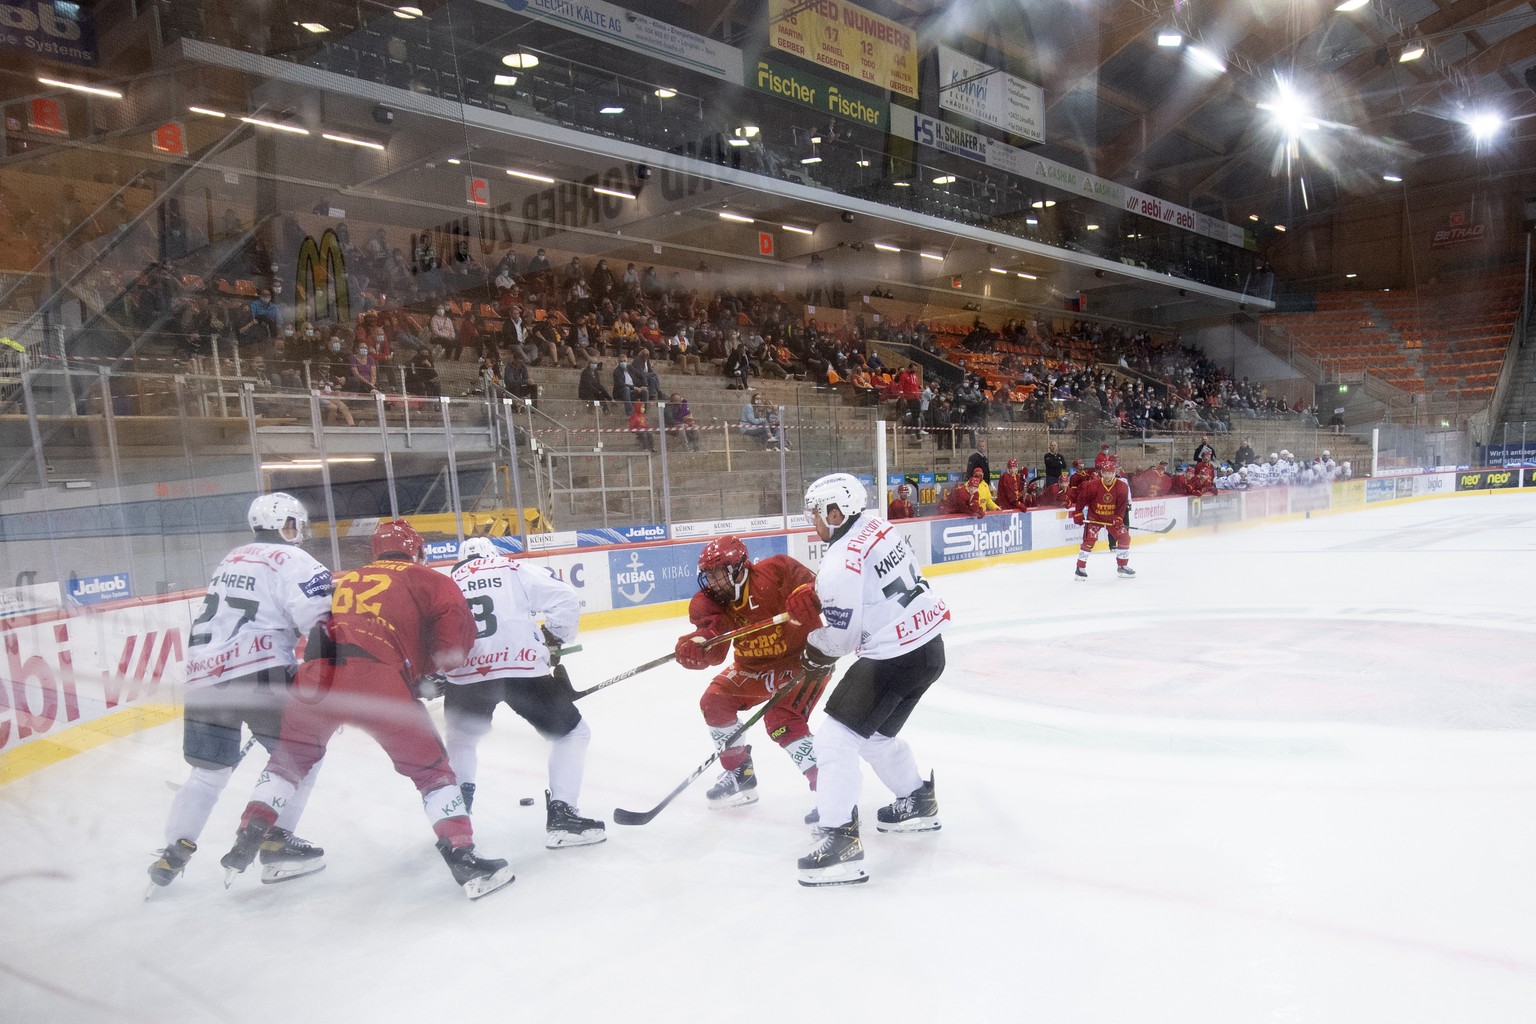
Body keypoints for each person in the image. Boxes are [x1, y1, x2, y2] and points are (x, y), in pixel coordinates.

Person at [219, 520, 513, 900]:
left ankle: (251, 834)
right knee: (432, 772)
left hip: (318, 675)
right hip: (376, 679)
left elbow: (319, 632)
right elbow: (454, 641)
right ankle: (463, 857)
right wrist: (434, 672)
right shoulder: (428, 578)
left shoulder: (349, 579)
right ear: (416, 549)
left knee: (287, 762)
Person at [146, 494, 332, 893]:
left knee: (209, 772)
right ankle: (275, 841)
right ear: (288, 524)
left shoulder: (231, 558)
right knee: (302, 757)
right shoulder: (297, 561)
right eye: (296, 524)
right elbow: (321, 621)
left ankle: (172, 851)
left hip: (202, 675)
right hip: (260, 670)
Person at [789, 474, 950, 887]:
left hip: (893, 657)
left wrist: (812, 645)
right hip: (930, 649)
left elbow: (840, 641)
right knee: (875, 736)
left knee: (835, 740)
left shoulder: (838, 562)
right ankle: (916, 800)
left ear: (835, 511)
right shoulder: (879, 526)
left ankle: (840, 840)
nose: (813, 522)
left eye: (816, 513)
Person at [444, 537, 604, 847]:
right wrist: (553, 638)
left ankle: (454, 823)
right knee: (572, 734)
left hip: (466, 671)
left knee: (461, 740)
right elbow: (565, 599)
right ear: (494, 555)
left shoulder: (448, 581)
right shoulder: (512, 567)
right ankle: (563, 815)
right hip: (521, 666)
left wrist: (438, 673)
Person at [674, 536, 827, 811]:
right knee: (714, 702)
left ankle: (831, 791)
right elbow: (714, 643)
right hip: (752, 668)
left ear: (739, 567)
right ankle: (740, 774)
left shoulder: (777, 571)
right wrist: (698, 645)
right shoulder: (709, 601)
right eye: (709, 576)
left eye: (718, 574)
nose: (713, 582)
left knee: (782, 719)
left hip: (801, 661)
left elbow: (821, 586)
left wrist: (811, 595)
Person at [1071, 455, 1134, 580]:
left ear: (1115, 472)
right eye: (1104, 472)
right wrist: (1078, 512)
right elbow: (1081, 499)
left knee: (1124, 537)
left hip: (1111, 518)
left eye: (1110, 473)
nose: (1107, 476)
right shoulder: (1092, 485)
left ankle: (1122, 566)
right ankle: (1080, 568)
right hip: (1095, 517)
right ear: (1101, 472)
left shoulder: (1122, 487)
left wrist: (1119, 518)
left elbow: (1121, 506)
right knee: (1089, 541)